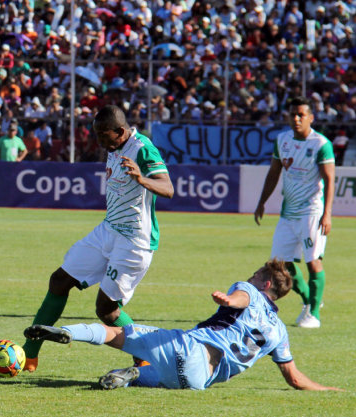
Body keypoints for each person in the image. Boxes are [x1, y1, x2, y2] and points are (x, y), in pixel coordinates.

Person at [24, 260, 341, 391]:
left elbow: (243, 298)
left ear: (265, 282)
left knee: (116, 333)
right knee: (155, 376)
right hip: (199, 378)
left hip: (192, 345)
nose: (252, 276)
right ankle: (132, 376)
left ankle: (68, 333)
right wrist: (328, 389)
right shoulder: (280, 333)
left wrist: (229, 301)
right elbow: (295, 378)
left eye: (257, 274)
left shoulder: (249, 291)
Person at [22, 105, 174, 372]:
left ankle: (146, 357)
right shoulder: (115, 148)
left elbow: (168, 188)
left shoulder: (143, 149)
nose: (100, 142)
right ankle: (28, 355)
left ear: (121, 131)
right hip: (108, 230)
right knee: (59, 281)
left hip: (134, 240)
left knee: (106, 310)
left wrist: (142, 178)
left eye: (104, 136)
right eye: (97, 135)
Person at [254, 97, 335, 329]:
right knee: (280, 264)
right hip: (288, 212)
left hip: (312, 211)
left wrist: (327, 213)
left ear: (311, 117)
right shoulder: (282, 140)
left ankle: (314, 316)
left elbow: (330, 180)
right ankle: (309, 301)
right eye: (293, 114)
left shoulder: (321, 144)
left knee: (313, 263)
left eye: (301, 114)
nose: (297, 119)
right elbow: (273, 172)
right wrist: (262, 202)